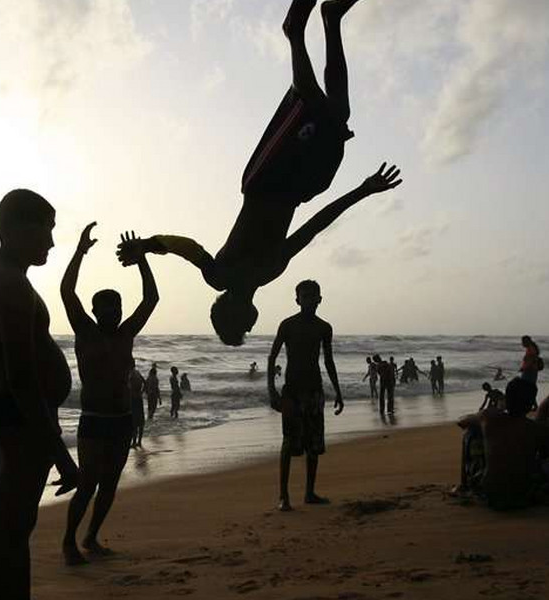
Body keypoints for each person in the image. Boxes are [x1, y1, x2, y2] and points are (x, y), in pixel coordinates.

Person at [115, 0, 401, 347]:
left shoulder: (220, 277)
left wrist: (147, 244)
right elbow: (315, 226)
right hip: (299, 186)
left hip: (266, 178)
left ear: (231, 314)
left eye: (242, 329)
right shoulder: (270, 271)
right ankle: (332, 19)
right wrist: (363, 190)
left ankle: (294, 32)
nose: (251, 327)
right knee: (338, 114)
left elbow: (188, 248)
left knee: (310, 102)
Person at [0, 189, 79, 597]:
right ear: (16, 229)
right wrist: (61, 454)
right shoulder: (10, 283)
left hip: (15, 413)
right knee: (11, 530)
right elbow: (21, 378)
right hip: (22, 416)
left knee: (13, 527)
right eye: (45, 231)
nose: (50, 242)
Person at [60, 223, 159, 565]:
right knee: (87, 484)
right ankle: (69, 541)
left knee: (110, 485)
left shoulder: (126, 332)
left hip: (121, 418)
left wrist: (142, 258)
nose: (113, 313)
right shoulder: (84, 331)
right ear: (96, 310)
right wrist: (80, 252)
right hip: (93, 420)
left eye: (116, 308)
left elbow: (151, 299)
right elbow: (67, 293)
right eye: (106, 309)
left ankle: (91, 536)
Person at [268, 279, 343, 511]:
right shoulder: (287, 325)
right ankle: (283, 496)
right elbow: (272, 358)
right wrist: (272, 391)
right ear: (297, 299)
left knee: (314, 444)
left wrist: (338, 392)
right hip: (291, 392)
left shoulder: (324, 327)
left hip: (314, 391)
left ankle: (310, 492)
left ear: (320, 299)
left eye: (313, 296)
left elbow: (328, 361)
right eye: (305, 296)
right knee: (289, 443)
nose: (309, 300)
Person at [457, 378, 549, 510]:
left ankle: (463, 485)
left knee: (470, 432)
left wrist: (482, 421)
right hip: (524, 495)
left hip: (490, 495)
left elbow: (461, 422)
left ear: (507, 399)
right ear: (530, 404)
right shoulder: (537, 428)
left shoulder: (489, 417)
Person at [129, 363, 146, 449]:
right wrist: (141, 392)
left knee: (134, 421)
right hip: (139, 397)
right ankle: (139, 441)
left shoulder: (130, 374)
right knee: (141, 420)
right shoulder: (138, 372)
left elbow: (126, 386)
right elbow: (145, 382)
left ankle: (134, 442)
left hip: (133, 399)